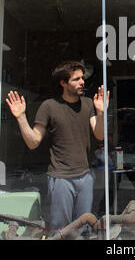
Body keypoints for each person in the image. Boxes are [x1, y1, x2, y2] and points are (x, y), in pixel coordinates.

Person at [5, 60, 110, 235]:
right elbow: (33, 142)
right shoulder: (49, 106)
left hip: (85, 177)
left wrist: (101, 112)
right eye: (76, 79)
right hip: (60, 179)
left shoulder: (88, 104)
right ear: (63, 83)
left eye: (82, 78)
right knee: (61, 231)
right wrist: (21, 117)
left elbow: (100, 135)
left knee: (84, 230)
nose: (82, 82)